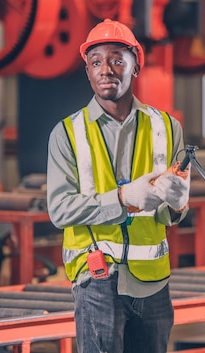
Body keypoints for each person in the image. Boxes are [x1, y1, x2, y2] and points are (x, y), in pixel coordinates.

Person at [46, 18, 191, 353]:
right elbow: (60, 209)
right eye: (95, 62)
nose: (106, 70)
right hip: (96, 279)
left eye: (116, 60)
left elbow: (172, 215)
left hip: (153, 281)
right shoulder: (66, 133)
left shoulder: (168, 128)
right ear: (87, 71)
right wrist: (123, 198)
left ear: (135, 66)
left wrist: (179, 204)